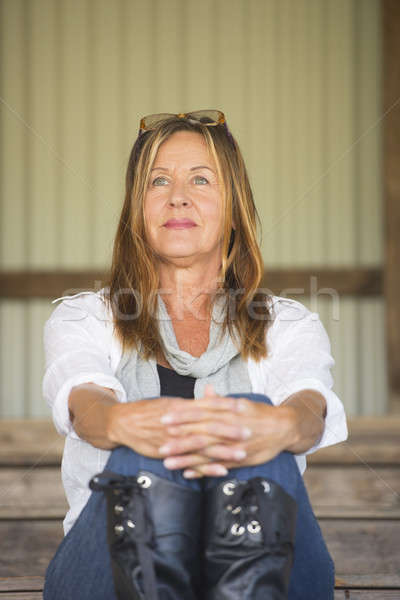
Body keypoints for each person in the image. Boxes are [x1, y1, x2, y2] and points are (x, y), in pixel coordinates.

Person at [42, 110, 348, 600]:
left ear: (233, 206)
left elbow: (310, 405)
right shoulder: (83, 317)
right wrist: (126, 424)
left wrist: (281, 427)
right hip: (107, 570)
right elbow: (82, 399)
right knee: (148, 455)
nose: (178, 195)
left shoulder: (289, 324)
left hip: (271, 564)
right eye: (158, 181)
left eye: (200, 179)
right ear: (136, 208)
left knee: (258, 429)